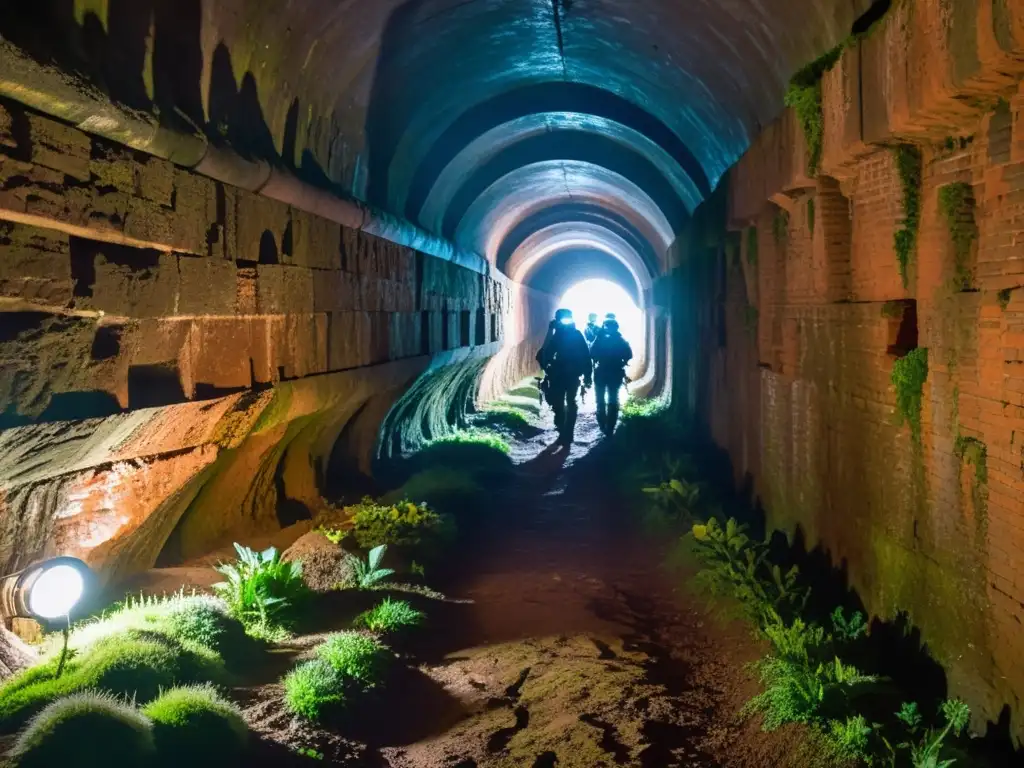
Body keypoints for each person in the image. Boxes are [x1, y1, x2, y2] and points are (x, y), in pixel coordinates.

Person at [536, 308, 592, 446]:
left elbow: (586, 356)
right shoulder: (556, 336)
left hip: (573, 375)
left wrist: (588, 376)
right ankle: (561, 427)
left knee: (571, 402)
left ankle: (569, 432)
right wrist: (550, 331)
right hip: (558, 375)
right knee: (557, 402)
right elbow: (544, 354)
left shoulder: (577, 335)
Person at [589, 317, 633, 435]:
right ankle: (606, 425)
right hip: (607, 372)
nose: (609, 329)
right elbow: (592, 352)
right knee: (605, 400)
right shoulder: (614, 339)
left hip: (608, 372)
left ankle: (608, 426)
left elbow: (628, 354)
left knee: (609, 400)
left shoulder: (619, 340)